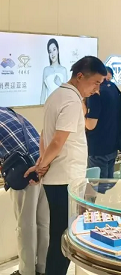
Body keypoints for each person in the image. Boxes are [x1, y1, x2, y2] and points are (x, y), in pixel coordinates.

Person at [27, 56, 106, 275]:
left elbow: (44, 135)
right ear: (80, 76)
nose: (97, 89)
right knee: (64, 238)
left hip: (60, 177)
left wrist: (42, 163)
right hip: (66, 178)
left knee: (59, 235)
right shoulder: (71, 101)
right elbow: (57, 141)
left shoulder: (56, 95)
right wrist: (41, 166)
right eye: (96, 82)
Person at [0, 108, 49, 275]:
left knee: (25, 225)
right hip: (43, 167)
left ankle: (26, 271)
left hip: (25, 174)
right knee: (43, 222)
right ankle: (42, 268)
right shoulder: (9, 112)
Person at [85, 70, 120, 178]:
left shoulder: (95, 94)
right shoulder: (113, 88)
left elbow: (90, 125)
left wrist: (82, 107)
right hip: (112, 145)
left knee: (98, 185)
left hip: (98, 148)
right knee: (109, 183)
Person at [40, 39, 67, 104]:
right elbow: (43, 93)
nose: (52, 54)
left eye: (54, 50)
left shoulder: (63, 70)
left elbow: (66, 93)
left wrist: (60, 84)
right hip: (49, 105)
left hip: (61, 105)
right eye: (50, 51)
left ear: (58, 50)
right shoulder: (46, 70)